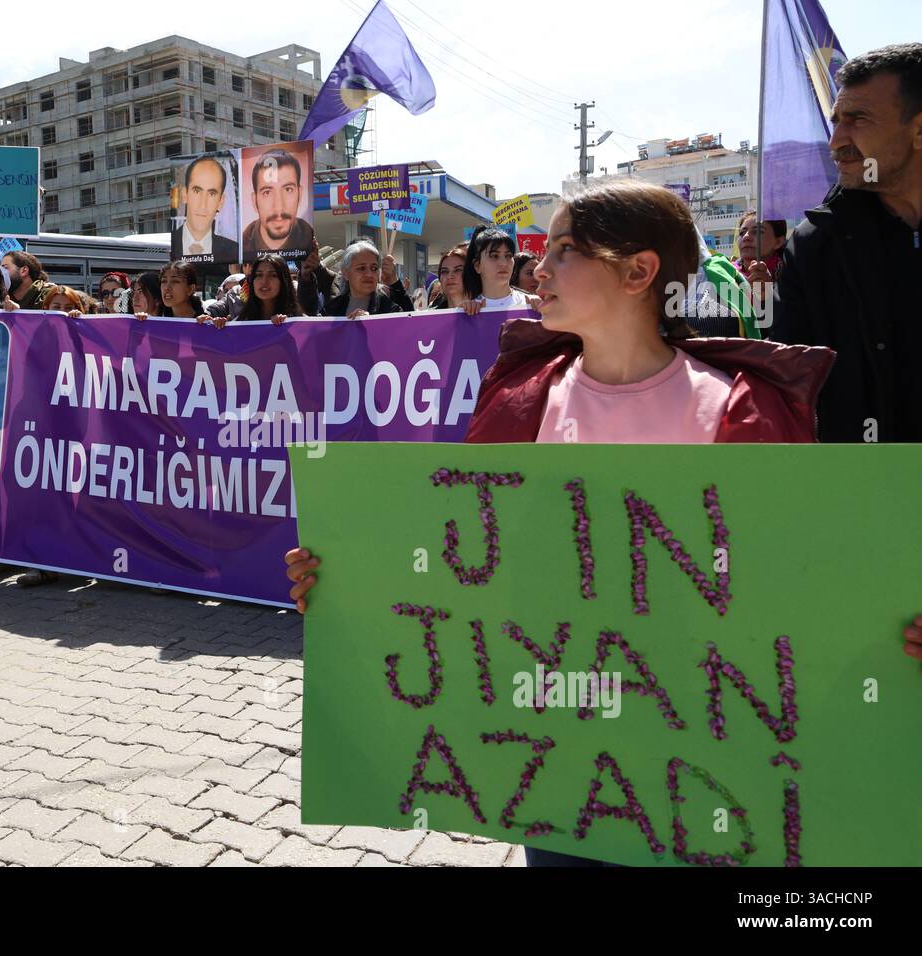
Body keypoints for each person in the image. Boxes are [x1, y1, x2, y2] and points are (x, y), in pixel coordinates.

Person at [285, 182, 837, 866]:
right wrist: (344, 582)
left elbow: (802, 587)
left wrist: (883, 634)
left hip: (703, 760)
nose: (538, 267)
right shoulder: (522, 400)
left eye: (568, 250)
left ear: (639, 273)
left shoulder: (735, 411)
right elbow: (459, 563)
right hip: (560, 760)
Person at [771, 42, 922, 443]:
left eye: (858, 119)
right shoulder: (814, 246)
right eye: (837, 120)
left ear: (918, 129)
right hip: (864, 494)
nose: (836, 140)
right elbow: (789, 390)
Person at [241, 148, 314, 255]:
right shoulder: (239, 249)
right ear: (254, 200)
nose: (279, 208)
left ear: (300, 194)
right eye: (267, 192)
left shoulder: (310, 244)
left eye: (288, 189)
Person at [321, 240, 414, 318]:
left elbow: (410, 328)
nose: (369, 274)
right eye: (361, 268)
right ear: (345, 273)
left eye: (374, 268)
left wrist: (371, 324)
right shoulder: (331, 309)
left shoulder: (390, 309)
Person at [173, 156, 239, 263]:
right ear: (185, 194)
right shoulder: (170, 247)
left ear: (220, 202)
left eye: (212, 193)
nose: (203, 204)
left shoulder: (234, 251)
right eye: (197, 191)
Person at [212, 256, 300, 328]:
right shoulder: (239, 322)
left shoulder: (300, 322)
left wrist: (287, 327)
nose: (264, 281)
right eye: (259, 275)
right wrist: (220, 327)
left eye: (273, 275)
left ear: (284, 281)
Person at [464, 226, 531, 309]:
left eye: (508, 256)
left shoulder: (530, 304)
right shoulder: (468, 311)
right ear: (477, 265)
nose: (503, 263)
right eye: (494, 256)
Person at [428, 243, 471, 310]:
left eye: (458, 270)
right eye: (444, 271)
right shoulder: (429, 317)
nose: (449, 276)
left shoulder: (486, 311)